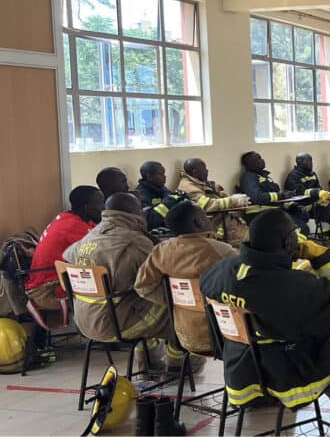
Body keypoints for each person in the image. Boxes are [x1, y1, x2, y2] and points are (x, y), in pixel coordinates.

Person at [200, 209, 330, 417]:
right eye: (294, 233)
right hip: (288, 382)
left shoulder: (220, 271)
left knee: (323, 350)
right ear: (288, 242)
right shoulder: (294, 286)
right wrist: (324, 257)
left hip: (240, 377)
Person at [63, 193, 177, 372]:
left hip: (84, 321)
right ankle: (180, 368)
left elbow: (67, 256)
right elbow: (164, 271)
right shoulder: (134, 241)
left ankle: (149, 365)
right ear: (136, 212)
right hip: (116, 324)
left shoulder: (90, 235)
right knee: (176, 308)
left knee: (141, 302)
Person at [134, 203, 237, 366]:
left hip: (183, 334)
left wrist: (174, 301)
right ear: (198, 222)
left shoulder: (161, 250)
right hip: (224, 336)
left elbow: (142, 286)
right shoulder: (222, 251)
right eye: (205, 216)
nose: (209, 219)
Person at [23, 186, 104, 352]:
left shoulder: (66, 217)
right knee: (108, 284)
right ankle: (107, 335)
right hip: (47, 290)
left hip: (47, 281)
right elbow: (101, 250)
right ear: (87, 206)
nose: (103, 208)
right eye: (99, 203)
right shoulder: (73, 226)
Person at [176, 158, 251, 247]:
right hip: (215, 225)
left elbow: (218, 196)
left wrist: (236, 199)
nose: (207, 170)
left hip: (228, 223)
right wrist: (233, 201)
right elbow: (206, 205)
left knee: (249, 239)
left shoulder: (203, 183)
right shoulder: (188, 187)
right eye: (204, 168)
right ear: (195, 172)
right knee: (241, 246)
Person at [136, 161, 188, 232]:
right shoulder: (142, 194)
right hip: (156, 232)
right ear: (149, 177)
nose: (165, 176)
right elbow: (150, 220)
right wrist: (167, 203)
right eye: (161, 174)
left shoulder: (162, 188)